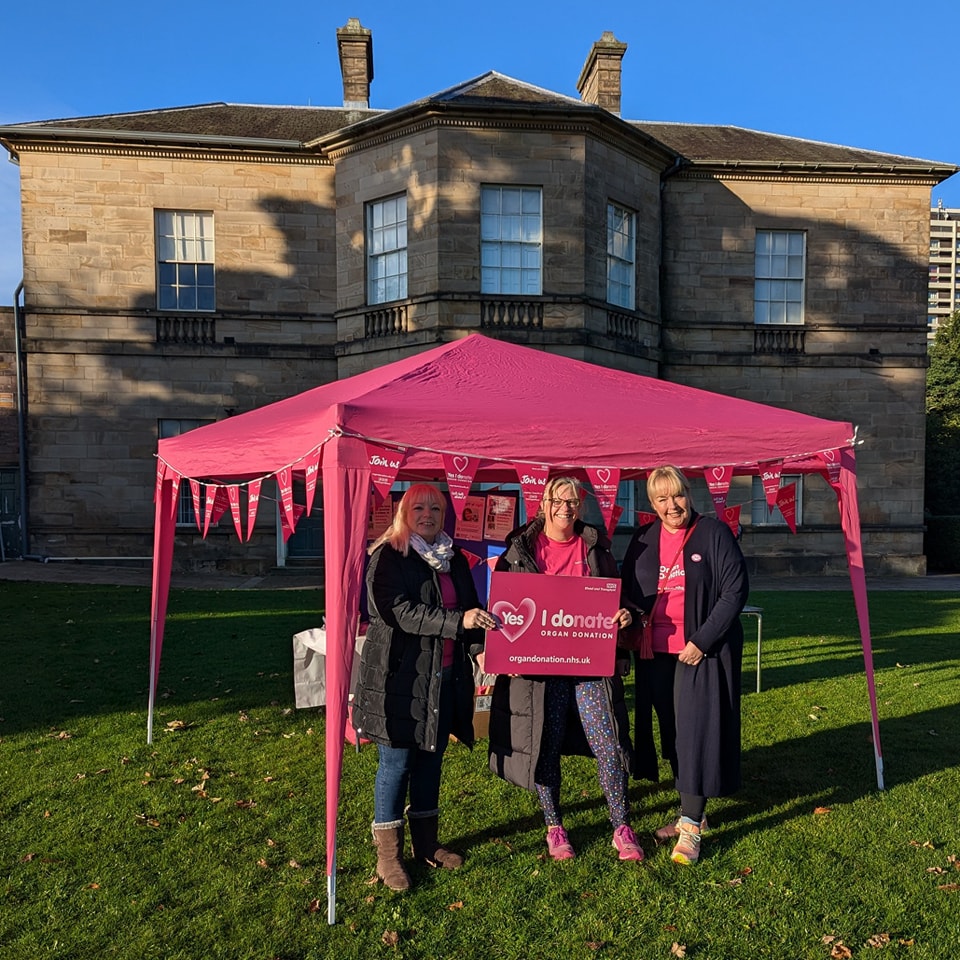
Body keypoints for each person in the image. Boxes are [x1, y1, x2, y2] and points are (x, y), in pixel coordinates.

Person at [486, 476, 642, 861]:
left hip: (590, 666)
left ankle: (621, 825)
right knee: (546, 746)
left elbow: (621, 600)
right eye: (558, 500)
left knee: (609, 744)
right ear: (543, 503)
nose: (565, 508)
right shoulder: (520, 551)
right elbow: (500, 608)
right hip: (542, 671)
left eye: (573, 501)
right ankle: (554, 826)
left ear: (581, 505)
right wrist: (508, 657)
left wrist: (625, 622)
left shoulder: (596, 549)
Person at [351, 484, 495, 891]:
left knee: (431, 761)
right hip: (399, 678)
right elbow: (395, 611)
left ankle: (427, 844)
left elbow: (472, 610)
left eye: (435, 507)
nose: (428, 513)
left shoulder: (453, 559)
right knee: (396, 767)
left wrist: (479, 648)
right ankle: (388, 856)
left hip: (445, 679)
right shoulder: (389, 555)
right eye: (419, 507)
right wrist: (456, 623)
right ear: (404, 512)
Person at [620, 465, 749, 865]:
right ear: (652, 504)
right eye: (661, 499)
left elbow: (734, 591)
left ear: (688, 494)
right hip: (653, 651)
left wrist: (701, 640)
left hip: (700, 652)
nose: (671, 505)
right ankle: (690, 810)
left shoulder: (713, 534)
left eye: (676, 496)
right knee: (674, 733)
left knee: (696, 731)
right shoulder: (644, 537)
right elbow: (629, 589)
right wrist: (626, 613)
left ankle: (691, 825)